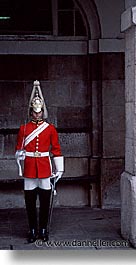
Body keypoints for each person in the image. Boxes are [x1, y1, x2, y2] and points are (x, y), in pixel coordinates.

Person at [15, 80, 64, 243]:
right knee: (30, 202)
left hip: (44, 167)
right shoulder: (23, 129)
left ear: (43, 112)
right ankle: (32, 229)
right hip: (29, 167)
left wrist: (59, 169)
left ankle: (43, 229)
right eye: (35, 112)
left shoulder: (50, 129)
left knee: (44, 201)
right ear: (31, 113)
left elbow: (56, 149)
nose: (37, 115)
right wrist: (19, 155)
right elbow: (18, 149)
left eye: (40, 112)